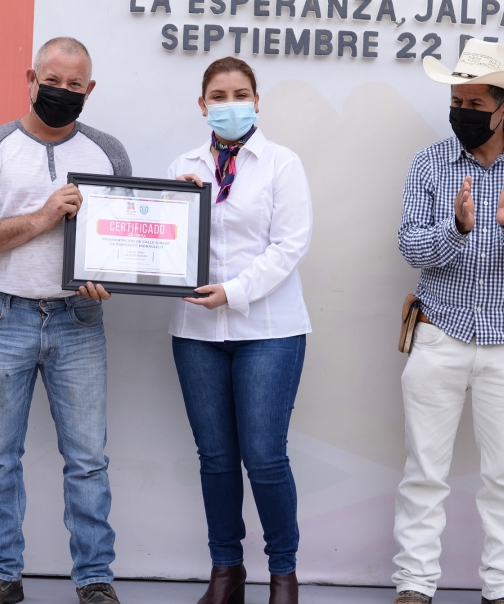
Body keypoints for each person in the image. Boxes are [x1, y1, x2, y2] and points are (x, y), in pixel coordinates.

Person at [0, 37, 131, 604]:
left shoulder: (108, 151)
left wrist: (112, 276)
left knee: (88, 460)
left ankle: (95, 580)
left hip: (79, 319)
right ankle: (1, 575)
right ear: (30, 79)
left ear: (89, 90)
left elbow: (124, 237)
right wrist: (44, 216)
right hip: (6, 315)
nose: (62, 92)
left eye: (75, 85)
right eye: (52, 81)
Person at [392, 39, 504, 604]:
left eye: (474, 103)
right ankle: (414, 584)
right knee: (424, 470)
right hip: (439, 334)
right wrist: (459, 230)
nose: (462, 112)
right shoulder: (429, 163)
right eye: (456, 102)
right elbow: (410, 245)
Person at [168, 57, 313, 604]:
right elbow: (162, 243)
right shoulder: (183, 166)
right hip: (197, 331)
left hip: (269, 329)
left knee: (265, 457)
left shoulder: (282, 163)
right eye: (219, 96)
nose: (230, 104)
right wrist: (176, 202)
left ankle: (283, 576)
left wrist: (233, 291)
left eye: (241, 94)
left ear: (257, 101)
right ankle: (226, 574)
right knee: (216, 459)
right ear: (202, 104)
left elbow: (289, 245)